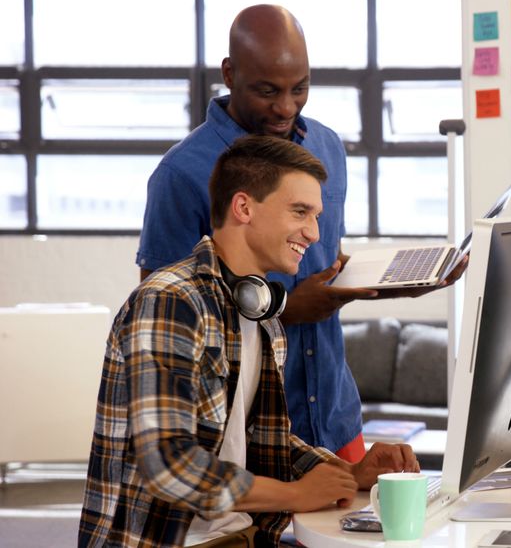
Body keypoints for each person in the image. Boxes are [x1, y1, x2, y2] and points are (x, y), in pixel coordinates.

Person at [136, 4, 462, 463]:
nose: (285, 107)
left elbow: (325, 259)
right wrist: (286, 310)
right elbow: (164, 321)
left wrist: (384, 284)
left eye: (300, 88)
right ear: (229, 74)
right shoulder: (181, 175)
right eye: (267, 90)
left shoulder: (326, 146)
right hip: (246, 432)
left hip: (334, 413)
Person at [80, 136, 420, 548]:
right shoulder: (172, 301)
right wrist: (295, 495)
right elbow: (170, 466)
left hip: (241, 535)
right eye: (300, 212)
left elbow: (258, 437)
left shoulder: (259, 309)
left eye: (316, 216)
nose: (314, 233)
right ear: (244, 207)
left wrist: (350, 473)